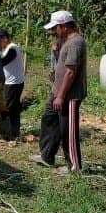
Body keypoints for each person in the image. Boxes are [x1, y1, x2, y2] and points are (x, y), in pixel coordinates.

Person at [30, 10, 87, 172]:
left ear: (64, 27)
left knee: (67, 132)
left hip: (69, 96)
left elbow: (70, 71)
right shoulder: (66, 42)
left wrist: (61, 96)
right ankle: (47, 156)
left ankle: (74, 167)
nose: (53, 32)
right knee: (49, 121)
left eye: (55, 28)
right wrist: (55, 52)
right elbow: (60, 65)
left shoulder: (76, 43)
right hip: (57, 93)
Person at [0, 28, 25, 142]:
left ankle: (8, 134)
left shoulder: (12, 48)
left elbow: (3, 62)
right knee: (13, 108)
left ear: (5, 38)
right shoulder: (8, 49)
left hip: (13, 83)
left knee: (7, 108)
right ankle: (13, 132)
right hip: (14, 82)